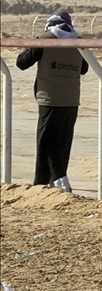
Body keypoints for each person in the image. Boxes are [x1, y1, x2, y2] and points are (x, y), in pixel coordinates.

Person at [16, 12, 89, 192]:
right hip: (71, 100)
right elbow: (84, 69)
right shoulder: (78, 41)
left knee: (45, 142)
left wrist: (29, 46)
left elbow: (22, 63)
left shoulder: (46, 39)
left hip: (49, 98)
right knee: (63, 141)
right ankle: (54, 180)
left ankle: (50, 182)